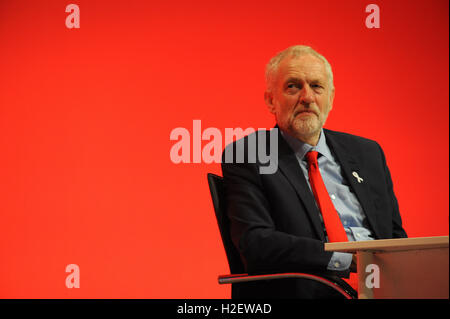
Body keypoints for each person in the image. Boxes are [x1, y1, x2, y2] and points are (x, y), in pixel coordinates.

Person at [221, 45, 407, 299]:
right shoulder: (250, 154)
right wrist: (344, 260)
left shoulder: (367, 153)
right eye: (293, 86)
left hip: (382, 288)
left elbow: (395, 237)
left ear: (330, 98)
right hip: (307, 291)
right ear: (270, 100)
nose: (307, 96)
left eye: (316, 86)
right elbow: (257, 244)